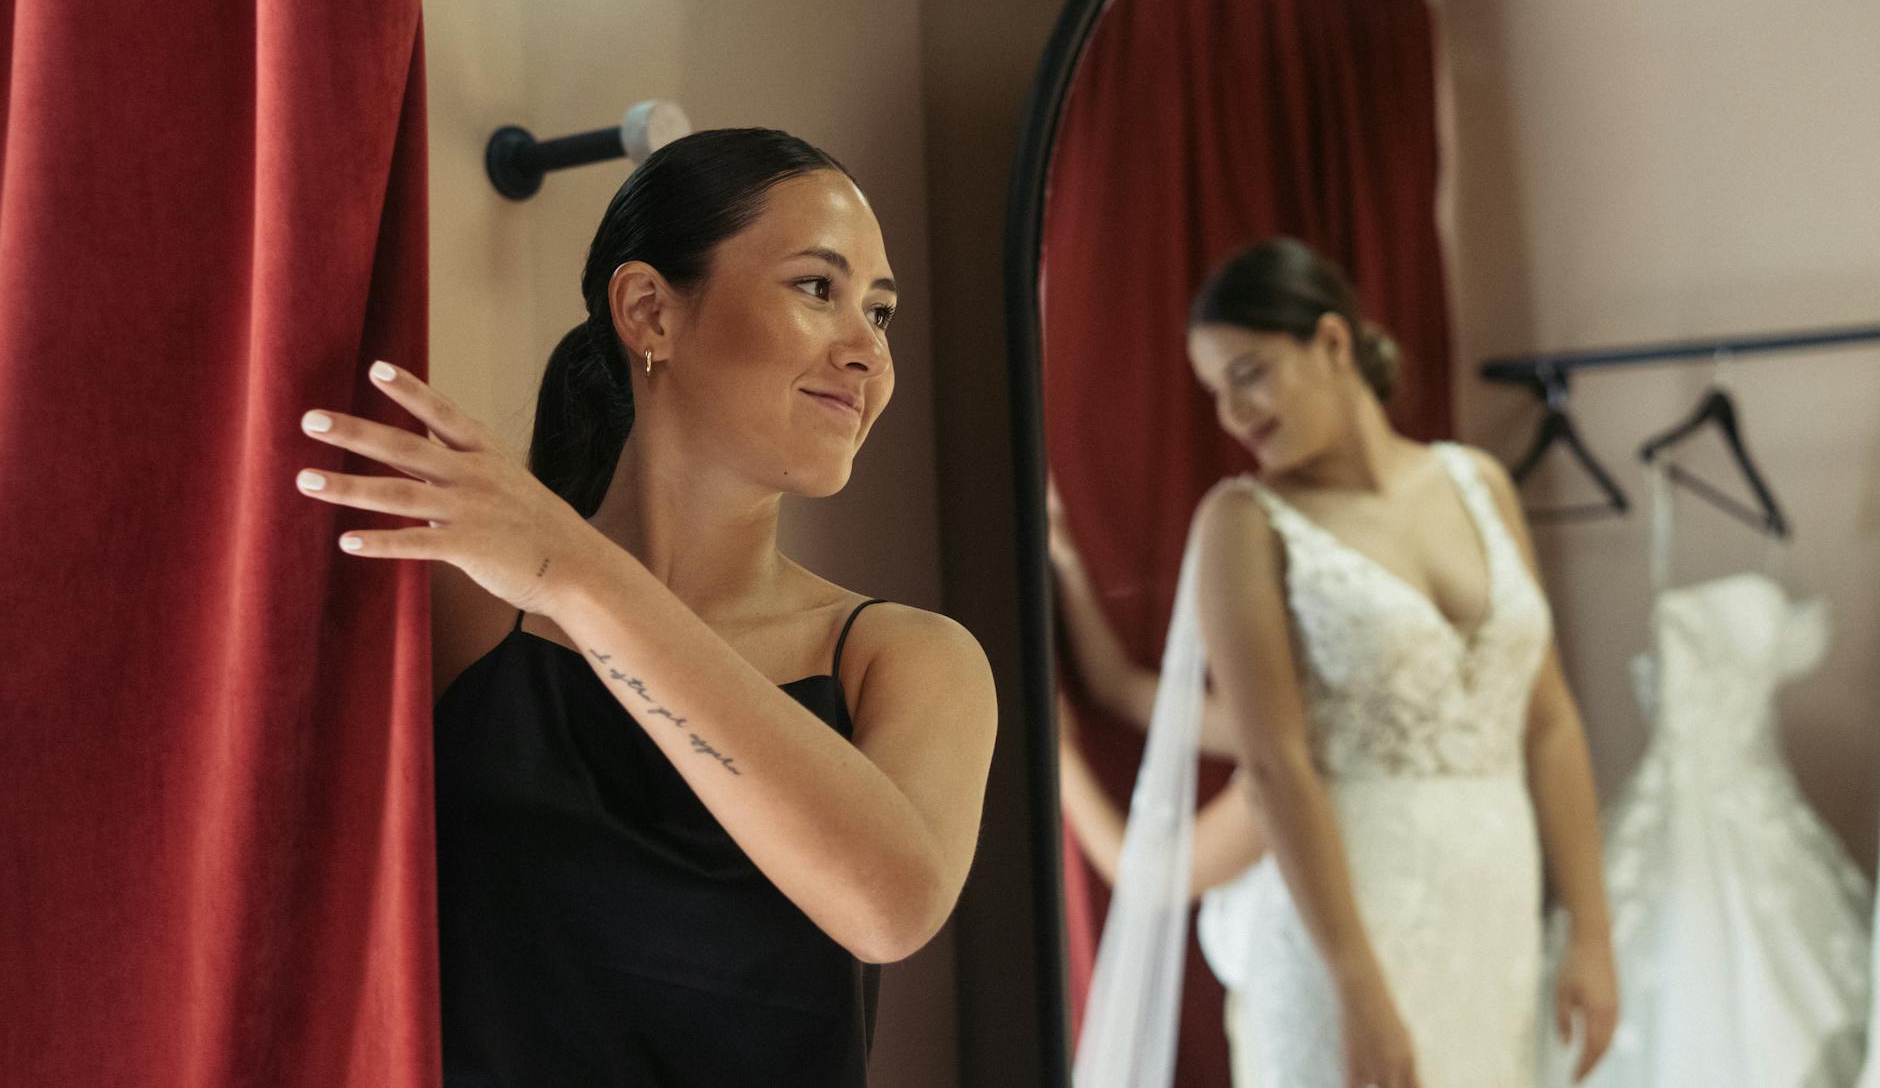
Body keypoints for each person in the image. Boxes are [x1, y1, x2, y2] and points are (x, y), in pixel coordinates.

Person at [291, 128, 998, 1087]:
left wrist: (573, 572)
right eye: (818, 287)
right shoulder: (468, 611)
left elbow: (890, 905)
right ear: (649, 312)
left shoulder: (904, 656)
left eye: (880, 312)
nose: (868, 350)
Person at [1060, 236, 1618, 1088]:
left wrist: (1590, 928)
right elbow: (1278, 762)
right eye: (1216, 391)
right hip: (1343, 939)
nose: (1232, 414)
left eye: (1247, 372)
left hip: (1493, 917)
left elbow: (1547, 720)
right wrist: (1357, 989)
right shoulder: (1245, 522)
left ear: (1330, 342)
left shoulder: (1478, 484)